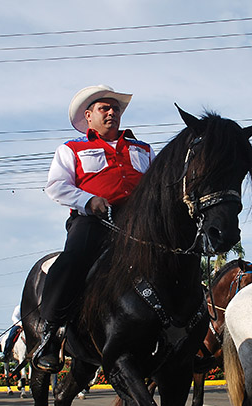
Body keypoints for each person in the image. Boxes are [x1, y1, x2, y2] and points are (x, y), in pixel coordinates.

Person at [32, 84, 154, 373]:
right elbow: (56, 186)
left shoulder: (143, 149)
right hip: (93, 218)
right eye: (104, 108)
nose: (112, 112)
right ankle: (51, 334)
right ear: (89, 116)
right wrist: (89, 200)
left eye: (115, 108)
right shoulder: (72, 149)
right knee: (71, 262)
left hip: (138, 222)